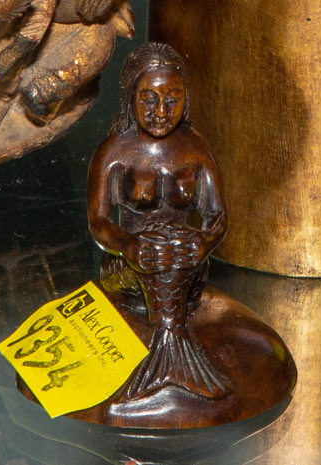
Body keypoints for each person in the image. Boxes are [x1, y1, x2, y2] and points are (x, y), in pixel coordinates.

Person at [85, 43, 229, 402]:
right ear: (130, 98)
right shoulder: (115, 151)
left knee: (176, 244)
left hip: (187, 267)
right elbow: (99, 221)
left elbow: (218, 216)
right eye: (148, 99)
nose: (161, 111)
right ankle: (170, 352)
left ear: (186, 99)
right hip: (129, 270)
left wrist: (203, 242)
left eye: (173, 98)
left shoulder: (195, 148)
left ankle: (169, 353)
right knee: (154, 250)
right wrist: (129, 244)